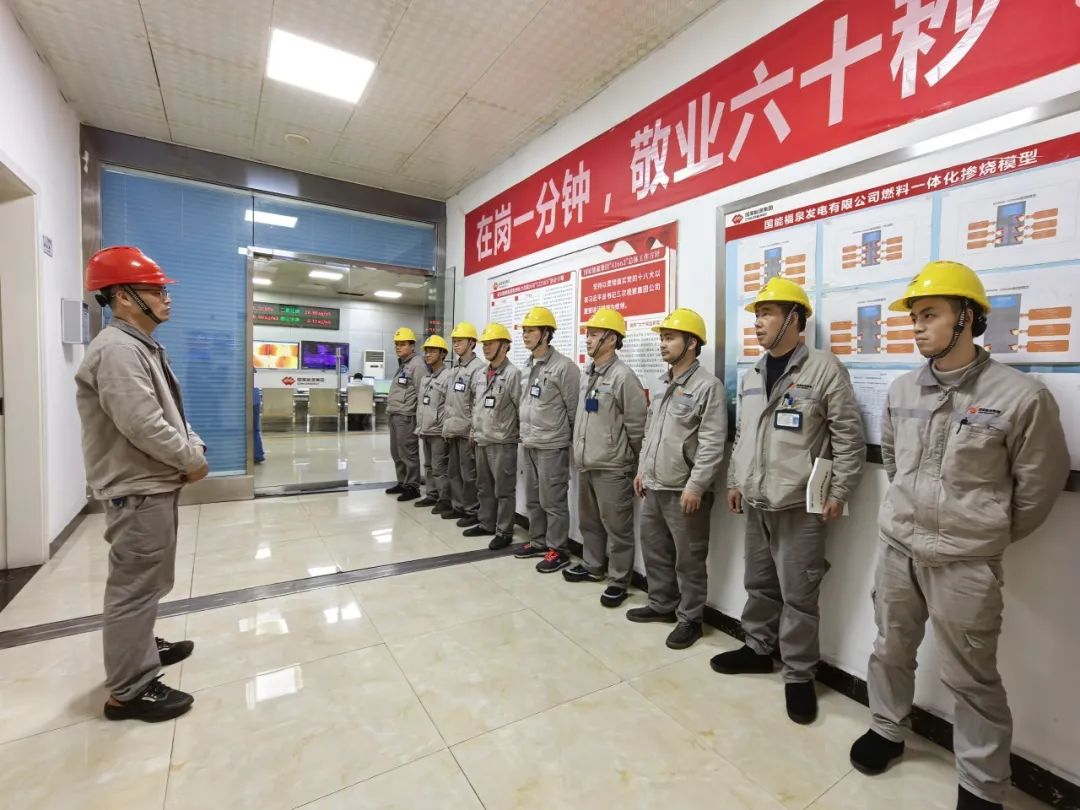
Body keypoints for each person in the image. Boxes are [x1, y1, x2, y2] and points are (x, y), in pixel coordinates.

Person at [848, 261, 1069, 810]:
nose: (917, 327)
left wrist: (983, 528)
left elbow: (1039, 484)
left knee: (972, 676)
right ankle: (886, 728)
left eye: (930, 315)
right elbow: (895, 461)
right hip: (898, 548)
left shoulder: (1020, 396)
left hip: (965, 561)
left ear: (966, 318)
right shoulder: (902, 389)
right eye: (914, 317)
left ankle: (981, 784)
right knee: (890, 647)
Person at [715, 277, 866, 724]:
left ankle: (799, 674)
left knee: (799, 595)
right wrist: (735, 479)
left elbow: (848, 438)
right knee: (759, 583)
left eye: (767, 313)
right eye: (757, 314)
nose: (758, 322)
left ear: (794, 319)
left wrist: (839, 491)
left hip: (800, 505)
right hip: (757, 500)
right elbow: (744, 435)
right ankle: (758, 648)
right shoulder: (752, 375)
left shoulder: (824, 370)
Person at [75, 246, 207, 722]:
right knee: (133, 585)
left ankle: (141, 647)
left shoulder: (140, 346)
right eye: (156, 291)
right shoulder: (117, 350)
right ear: (123, 297)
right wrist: (190, 459)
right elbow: (143, 424)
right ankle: (129, 690)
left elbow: (171, 413)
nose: (166, 298)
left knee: (149, 580)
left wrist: (193, 447)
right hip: (137, 485)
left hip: (152, 481)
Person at [628, 308, 726, 650]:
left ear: (692, 343)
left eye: (670, 338)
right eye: (662, 337)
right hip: (654, 485)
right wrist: (642, 469)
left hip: (684, 490)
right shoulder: (663, 383)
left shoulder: (708, 387)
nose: (663, 344)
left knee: (689, 559)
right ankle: (661, 603)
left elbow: (712, 443)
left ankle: (690, 619)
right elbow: (650, 431)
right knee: (654, 550)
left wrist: (696, 485)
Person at [562, 307, 647, 607]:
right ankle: (593, 566)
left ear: (611, 339)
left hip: (613, 466)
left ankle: (619, 580)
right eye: (588, 334)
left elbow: (637, 426)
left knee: (618, 528)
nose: (588, 339)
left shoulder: (623, 377)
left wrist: (633, 463)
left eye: (594, 334)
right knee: (589, 522)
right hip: (587, 462)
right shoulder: (589, 374)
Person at [513, 306, 581, 573]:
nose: (525, 335)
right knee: (533, 499)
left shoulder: (564, 367)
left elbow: (574, 411)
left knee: (553, 502)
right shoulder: (528, 365)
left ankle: (558, 550)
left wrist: (573, 445)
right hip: (529, 443)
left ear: (545, 334)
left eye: (531, 331)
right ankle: (538, 541)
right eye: (524, 331)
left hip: (552, 445)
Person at [464, 323, 522, 550]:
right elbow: (476, 404)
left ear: (505, 346)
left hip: (502, 442)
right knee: (484, 486)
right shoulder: (481, 373)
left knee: (503, 490)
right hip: (481, 439)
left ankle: (504, 531)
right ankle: (486, 523)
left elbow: (520, 408)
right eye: (484, 344)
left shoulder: (512, 374)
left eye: (491, 343)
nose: (486, 347)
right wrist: (473, 430)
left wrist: (514, 434)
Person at [443, 322, 487, 527]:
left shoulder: (478, 369)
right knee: (454, 472)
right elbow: (450, 401)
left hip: (467, 430)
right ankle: (458, 506)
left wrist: (474, 430)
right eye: (454, 341)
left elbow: (478, 403)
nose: (456, 344)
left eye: (460, 340)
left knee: (469, 475)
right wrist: (446, 426)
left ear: (472, 343)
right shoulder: (455, 368)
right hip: (453, 429)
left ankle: (472, 510)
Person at [385, 327, 427, 501]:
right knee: (396, 452)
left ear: (412, 346)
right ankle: (402, 482)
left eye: (402, 344)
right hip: (395, 413)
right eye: (397, 344)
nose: (398, 347)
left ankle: (412, 486)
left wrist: (420, 420)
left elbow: (421, 392)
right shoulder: (403, 364)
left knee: (408, 452)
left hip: (406, 416)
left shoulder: (417, 364)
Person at [415, 335, 453, 514]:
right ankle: (431, 494)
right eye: (426, 351)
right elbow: (422, 405)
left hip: (438, 431)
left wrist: (446, 429)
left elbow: (450, 405)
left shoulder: (448, 376)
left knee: (439, 468)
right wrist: (420, 426)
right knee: (428, 466)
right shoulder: (426, 378)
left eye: (432, 351)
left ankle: (445, 499)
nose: (428, 354)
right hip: (426, 428)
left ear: (443, 354)